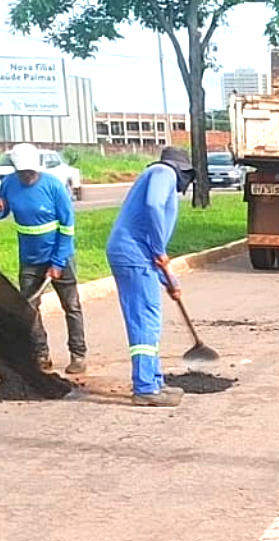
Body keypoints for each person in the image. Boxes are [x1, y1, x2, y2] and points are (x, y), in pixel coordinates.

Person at [105, 145, 193, 409]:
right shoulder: (162, 171)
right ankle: (144, 387)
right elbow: (153, 204)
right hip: (134, 256)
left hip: (138, 255)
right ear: (181, 169)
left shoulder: (158, 175)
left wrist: (171, 283)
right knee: (144, 320)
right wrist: (159, 248)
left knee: (149, 319)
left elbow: (155, 252)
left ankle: (154, 381)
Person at [0, 143, 85, 376]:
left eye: (31, 172)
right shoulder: (10, 183)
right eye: (23, 173)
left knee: (71, 306)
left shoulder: (54, 187)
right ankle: (41, 354)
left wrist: (58, 263)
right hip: (30, 259)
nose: (28, 177)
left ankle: (78, 355)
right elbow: (2, 211)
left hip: (59, 255)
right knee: (29, 307)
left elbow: (67, 227)